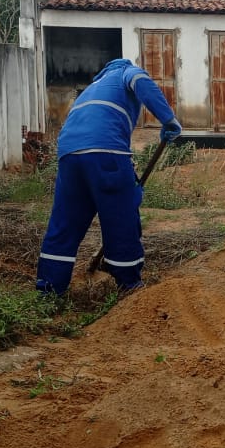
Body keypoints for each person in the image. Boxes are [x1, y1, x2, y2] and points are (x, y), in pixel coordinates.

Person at [36, 58, 182, 295]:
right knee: (121, 217)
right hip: (106, 152)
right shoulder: (126, 72)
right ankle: (128, 284)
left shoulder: (91, 89)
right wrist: (168, 119)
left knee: (65, 223)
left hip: (68, 156)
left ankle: (49, 288)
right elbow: (140, 80)